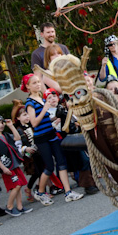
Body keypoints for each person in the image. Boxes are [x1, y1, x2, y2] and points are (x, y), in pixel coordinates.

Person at [22, 73, 84, 205]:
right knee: (49, 166)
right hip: (41, 138)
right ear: (27, 87)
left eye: (39, 82)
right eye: (34, 83)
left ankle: (68, 192)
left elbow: (45, 119)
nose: (38, 84)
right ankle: (40, 191)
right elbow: (34, 123)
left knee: (62, 163)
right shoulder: (30, 103)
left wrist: (55, 119)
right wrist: (45, 109)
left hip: (51, 134)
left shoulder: (40, 98)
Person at [0, 114, 32, 217]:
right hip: (7, 166)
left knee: (20, 184)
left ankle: (20, 206)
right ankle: (9, 206)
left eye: (1, 123)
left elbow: (17, 138)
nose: (1, 125)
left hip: (14, 164)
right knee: (16, 185)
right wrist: (3, 168)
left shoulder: (6, 135)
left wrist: (11, 126)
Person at [31, 22, 70, 90]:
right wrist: (46, 95)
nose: (51, 34)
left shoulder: (63, 48)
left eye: (52, 32)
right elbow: (38, 77)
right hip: (53, 91)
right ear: (42, 34)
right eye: (48, 32)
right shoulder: (36, 54)